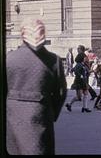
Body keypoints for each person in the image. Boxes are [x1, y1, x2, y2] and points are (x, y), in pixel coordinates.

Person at [6, 17, 67, 155]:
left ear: (22, 35)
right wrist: (52, 113)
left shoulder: (9, 59)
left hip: (11, 117)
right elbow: (61, 92)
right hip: (41, 116)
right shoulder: (53, 60)